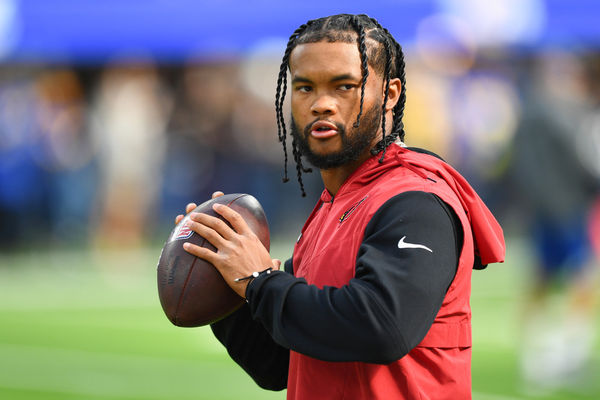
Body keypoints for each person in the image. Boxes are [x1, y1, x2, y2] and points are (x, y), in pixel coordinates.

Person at [176, 14, 505, 400]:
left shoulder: (415, 201)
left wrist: (259, 278)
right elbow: (278, 362)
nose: (321, 104)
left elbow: (382, 327)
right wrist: (227, 287)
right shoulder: (333, 205)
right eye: (304, 88)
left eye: (344, 86)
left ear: (391, 94)